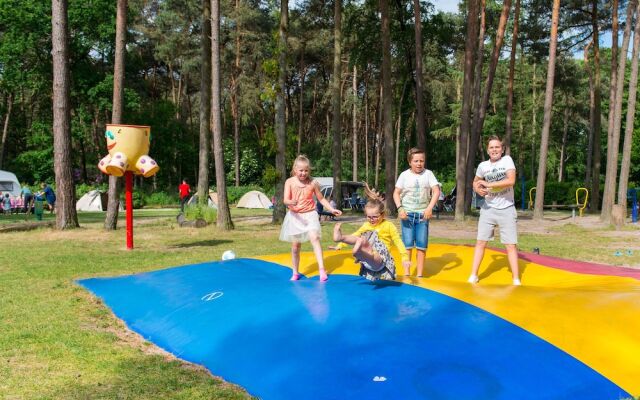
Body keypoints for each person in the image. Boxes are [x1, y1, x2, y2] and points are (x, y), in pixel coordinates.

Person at [468, 135, 521, 286]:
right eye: (491, 147)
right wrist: (478, 189)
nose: (494, 150)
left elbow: (511, 181)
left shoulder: (507, 160)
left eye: (497, 147)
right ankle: (474, 275)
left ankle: (516, 278)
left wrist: (489, 185)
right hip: (488, 209)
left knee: (510, 245)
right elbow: (475, 182)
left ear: (502, 149)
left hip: (507, 208)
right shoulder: (483, 166)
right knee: (480, 242)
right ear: (487, 150)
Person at [280, 155, 342, 281]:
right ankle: (295, 272)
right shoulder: (289, 182)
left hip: (310, 215)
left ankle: (321, 269)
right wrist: (290, 202)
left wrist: (331, 209)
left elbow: (321, 199)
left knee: (315, 238)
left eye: (306, 170)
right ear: (295, 169)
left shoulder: (312, 183)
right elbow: (285, 199)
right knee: (296, 246)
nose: (303, 173)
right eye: (301, 170)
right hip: (295, 216)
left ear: (309, 170)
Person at [330, 184, 410, 281]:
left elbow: (398, 241)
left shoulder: (388, 225)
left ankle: (362, 253)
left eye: (374, 217)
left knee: (367, 243)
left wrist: (405, 257)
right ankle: (341, 237)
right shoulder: (366, 225)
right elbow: (355, 235)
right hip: (370, 261)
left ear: (383, 214)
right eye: (369, 217)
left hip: (381, 258)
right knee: (360, 238)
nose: (371, 220)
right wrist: (340, 244)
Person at [393, 148, 440, 277]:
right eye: (416, 161)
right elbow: (396, 193)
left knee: (421, 246)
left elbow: (436, 191)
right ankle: (407, 273)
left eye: (421, 161)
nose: (419, 163)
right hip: (407, 215)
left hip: (422, 216)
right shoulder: (404, 175)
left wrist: (430, 207)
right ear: (410, 162)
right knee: (407, 245)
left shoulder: (428, 174)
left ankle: (419, 274)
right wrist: (400, 208)